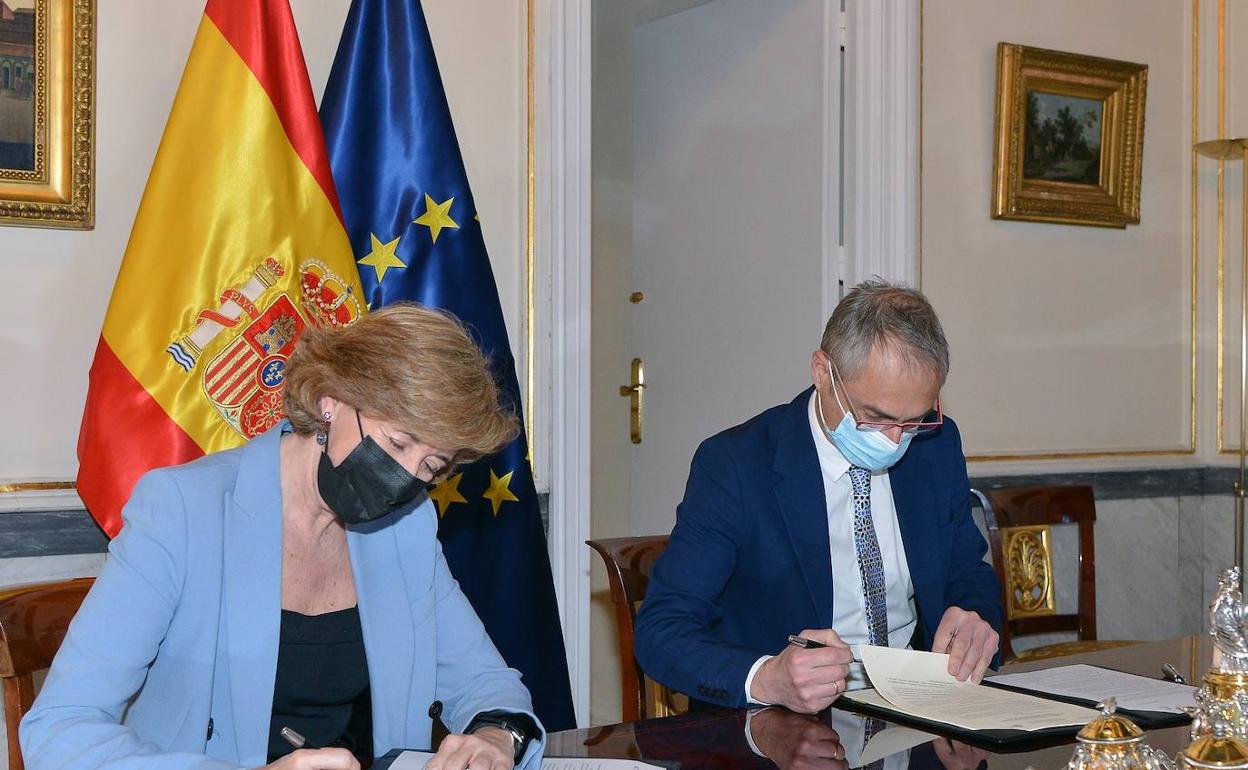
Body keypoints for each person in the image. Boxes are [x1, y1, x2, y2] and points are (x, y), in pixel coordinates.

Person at [21, 304, 545, 770]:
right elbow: (60, 728)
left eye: (431, 464)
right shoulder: (184, 511)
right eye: (398, 441)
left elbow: (485, 681)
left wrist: (497, 737)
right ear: (331, 400)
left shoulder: (406, 527)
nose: (406, 477)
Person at [634, 280, 1003, 714]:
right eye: (875, 417)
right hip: (777, 722)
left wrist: (974, 616)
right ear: (822, 373)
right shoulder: (736, 464)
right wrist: (766, 677)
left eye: (913, 420)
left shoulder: (935, 444)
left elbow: (965, 569)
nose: (893, 440)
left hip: (916, 708)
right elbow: (662, 630)